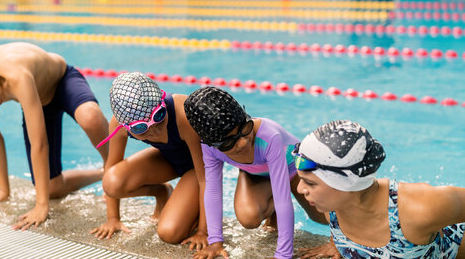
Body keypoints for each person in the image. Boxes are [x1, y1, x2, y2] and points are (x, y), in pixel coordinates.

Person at [0, 42, 109, 230]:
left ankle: (111, 163)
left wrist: (42, 205)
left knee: (90, 117)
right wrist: (3, 191)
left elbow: (39, 144)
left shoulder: (17, 76)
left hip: (62, 80)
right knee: (52, 189)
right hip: (39, 103)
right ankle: (101, 173)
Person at [184, 86, 327, 259]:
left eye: (245, 129)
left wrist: (283, 254)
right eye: (229, 143)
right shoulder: (210, 149)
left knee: (324, 218)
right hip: (258, 174)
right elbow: (213, 191)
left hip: (297, 170)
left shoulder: (269, 136)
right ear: (210, 144)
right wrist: (215, 242)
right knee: (248, 217)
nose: (243, 143)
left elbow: (283, 199)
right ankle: (272, 212)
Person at [294, 120, 465, 259]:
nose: (301, 189)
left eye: (310, 183)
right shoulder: (331, 205)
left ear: (346, 184)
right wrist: (337, 243)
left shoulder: (420, 209)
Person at [90, 72, 208, 251]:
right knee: (111, 182)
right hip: (168, 160)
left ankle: (195, 209)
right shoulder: (118, 124)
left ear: (161, 104)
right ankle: (162, 191)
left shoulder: (183, 113)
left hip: (198, 170)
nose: (154, 131)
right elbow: (111, 166)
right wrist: (113, 218)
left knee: (170, 233)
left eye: (159, 117)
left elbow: (206, 177)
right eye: (141, 128)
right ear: (126, 126)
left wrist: (205, 232)